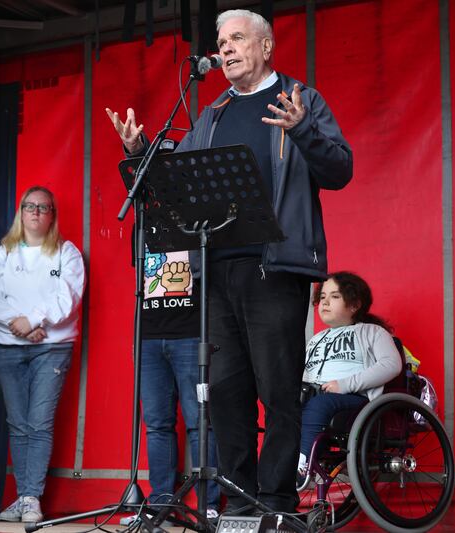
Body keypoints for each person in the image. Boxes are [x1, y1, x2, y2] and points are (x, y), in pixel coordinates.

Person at [106, 9, 353, 513]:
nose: (226, 49)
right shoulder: (213, 112)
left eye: (237, 38)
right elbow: (176, 180)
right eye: (222, 43)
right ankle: (239, 506)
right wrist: (139, 150)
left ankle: (276, 502)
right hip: (215, 273)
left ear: (266, 47)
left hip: (275, 269)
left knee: (278, 390)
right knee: (224, 392)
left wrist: (302, 129)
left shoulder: (301, 99)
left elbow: (340, 170)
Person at [0, 186, 85, 524]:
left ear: (52, 215)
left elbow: (67, 298)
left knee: (39, 423)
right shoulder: (1, 255)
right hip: (8, 348)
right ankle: (25, 495)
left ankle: (30, 498)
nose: (36, 212)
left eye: (43, 207)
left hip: (52, 349)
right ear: (21, 213)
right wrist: (21, 325)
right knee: (18, 423)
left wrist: (35, 320)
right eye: (30, 206)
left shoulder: (67, 253)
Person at [137, 248, 220, 518]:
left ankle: (207, 504)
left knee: (200, 421)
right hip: (148, 335)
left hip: (191, 332)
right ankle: (161, 504)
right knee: (156, 423)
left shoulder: (195, 226)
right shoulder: (142, 226)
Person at [298, 272, 402, 478]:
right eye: (322, 297)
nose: (325, 302)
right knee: (283, 407)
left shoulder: (373, 332)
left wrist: (345, 384)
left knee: (320, 404)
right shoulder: (316, 339)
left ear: (354, 305)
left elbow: (391, 365)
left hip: (353, 399)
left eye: (335, 296)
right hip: (316, 396)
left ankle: (302, 467)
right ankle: (278, 467)